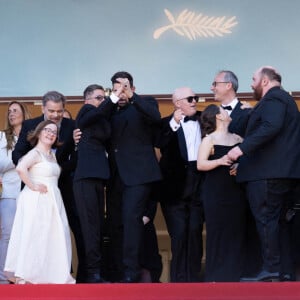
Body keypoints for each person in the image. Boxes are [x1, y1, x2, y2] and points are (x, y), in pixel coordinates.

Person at [228, 66, 300, 282]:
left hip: (268, 174)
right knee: (277, 222)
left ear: (265, 81)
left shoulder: (274, 100)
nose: (251, 83)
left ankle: (271, 269)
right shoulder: (281, 101)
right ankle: (282, 270)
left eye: (253, 79)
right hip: (280, 173)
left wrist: (241, 149)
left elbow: (270, 126)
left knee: (267, 221)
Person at [11, 91, 84, 282]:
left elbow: (72, 158)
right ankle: (31, 274)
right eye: (51, 110)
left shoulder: (71, 125)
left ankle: (64, 273)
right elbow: (18, 157)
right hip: (36, 192)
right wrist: (34, 174)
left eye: (59, 111)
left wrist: (55, 169)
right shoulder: (29, 125)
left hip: (62, 188)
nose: (55, 115)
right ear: (43, 108)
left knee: (62, 232)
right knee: (36, 233)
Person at [103, 71, 162, 283]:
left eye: (124, 87)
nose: (120, 92)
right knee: (116, 223)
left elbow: (155, 118)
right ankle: (119, 270)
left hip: (138, 175)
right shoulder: (110, 109)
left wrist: (132, 97)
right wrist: (112, 100)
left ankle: (131, 270)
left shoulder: (145, 103)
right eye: (116, 88)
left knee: (131, 221)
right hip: (115, 177)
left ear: (133, 88)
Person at [4, 120, 75, 284]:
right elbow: (21, 168)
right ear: (39, 132)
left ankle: (48, 274)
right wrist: (33, 185)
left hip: (52, 200)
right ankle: (28, 274)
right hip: (36, 200)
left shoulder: (52, 155)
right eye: (47, 130)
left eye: (54, 132)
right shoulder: (35, 153)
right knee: (35, 236)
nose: (51, 133)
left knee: (51, 236)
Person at [211, 70, 261, 277]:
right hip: (216, 183)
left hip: (243, 181)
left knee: (245, 227)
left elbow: (257, 143)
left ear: (228, 85)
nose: (212, 87)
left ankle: (246, 274)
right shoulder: (210, 113)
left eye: (215, 83)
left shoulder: (249, 112)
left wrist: (243, 164)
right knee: (220, 229)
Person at [156, 87, 204, 282]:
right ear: (177, 103)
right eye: (190, 98)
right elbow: (160, 142)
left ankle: (194, 280)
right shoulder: (164, 124)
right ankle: (179, 282)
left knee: (194, 232)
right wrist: (174, 122)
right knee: (179, 234)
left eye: (195, 98)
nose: (194, 101)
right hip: (174, 189)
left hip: (200, 185)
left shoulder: (206, 119)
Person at [197, 104, 246, 282]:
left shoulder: (238, 138)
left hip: (236, 191)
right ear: (218, 116)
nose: (227, 112)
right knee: (217, 231)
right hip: (215, 192)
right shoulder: (208, 139)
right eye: (224, 110)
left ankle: (236, 274)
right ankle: (217, 276)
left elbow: (249, 159)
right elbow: (200, 164)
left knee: (236, 230)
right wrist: (220, 161)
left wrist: (240, 166)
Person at [73, 84, 111, 283]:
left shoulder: (101, 117)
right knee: (90, 227)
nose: (102, 101)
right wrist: (111, 101)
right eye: (98, 97)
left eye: (104, 98)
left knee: (98, 226)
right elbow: (89, 118)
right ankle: (93, 273)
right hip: (85, 177)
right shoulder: (87, 111)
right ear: (87, 100)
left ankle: (96, 272)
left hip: (99, 177)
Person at [0, 101, 29, 284]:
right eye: (9, 111)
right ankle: (3, 278)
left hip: (29, 191)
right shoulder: (2, 137)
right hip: (10, 192)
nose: (11, 114)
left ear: (24, 114)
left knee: (28, 235)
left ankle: (23, 276)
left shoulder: (32, 136)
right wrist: (23, 157)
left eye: (15, 111)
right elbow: (1, 164)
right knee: (7, 234)